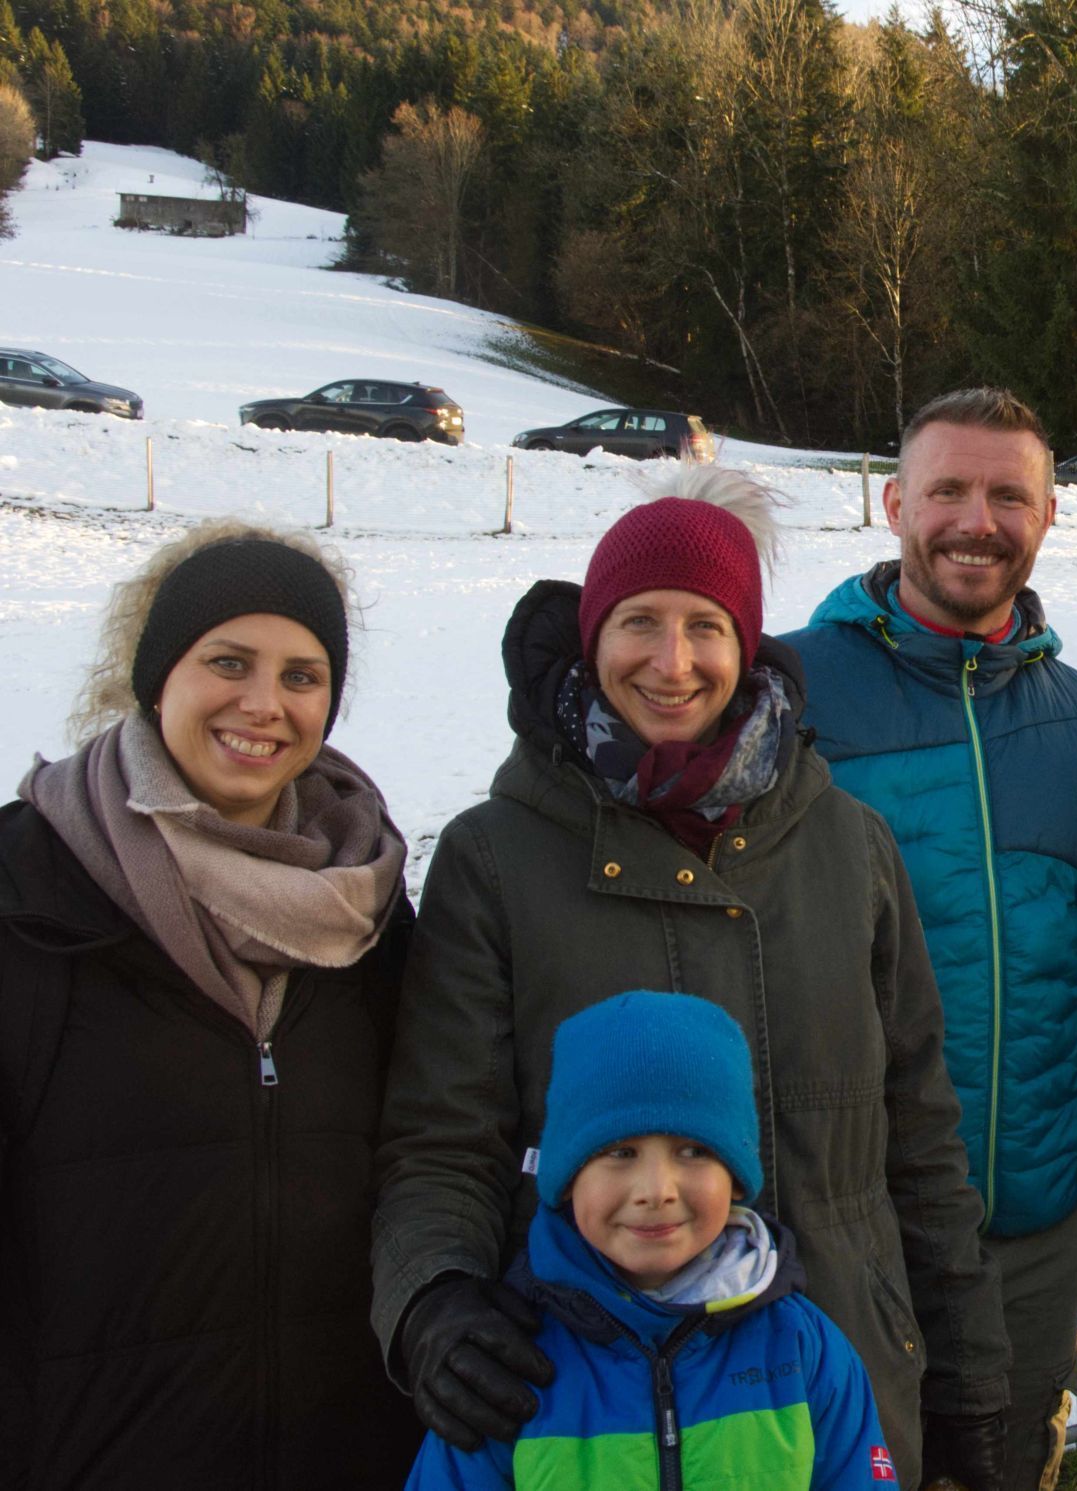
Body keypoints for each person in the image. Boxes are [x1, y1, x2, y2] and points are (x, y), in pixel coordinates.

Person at [372, 468, 1009, 1491]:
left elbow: (919, 1136)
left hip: (839, 1405)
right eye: (638, 622)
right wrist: (433, 1300)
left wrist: (970, 1391)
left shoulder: (850, 848)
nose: (672, 663)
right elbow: (441, 1142)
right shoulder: (496, 860)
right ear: (592, 637)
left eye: (705, 626)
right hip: (585, 1412)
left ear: (744, 644)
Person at [783, 388, 1077, 1490]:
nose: (973, 520)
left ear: (1045, 517)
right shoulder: (790, 691)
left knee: (1000, 1456)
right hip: (843, 1225)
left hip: (1033, 1218)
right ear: (895, 503)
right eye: (946, 489)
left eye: (1007, 495)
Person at [1, 522, 417, 1489]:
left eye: (302, 676)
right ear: (158, 676)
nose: (263, 704)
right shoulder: (30, 892)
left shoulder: (372, 912)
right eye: (227, 661)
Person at [403, 991, 894, 1490]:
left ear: (737, 1175)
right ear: (568, 1176)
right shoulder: (505, 1364)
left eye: (694, 1150)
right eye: (620, 1152)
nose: (657, 1191)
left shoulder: (800, 1347)